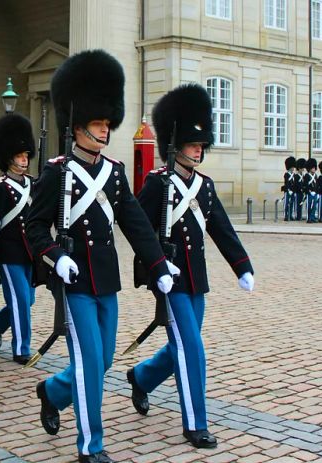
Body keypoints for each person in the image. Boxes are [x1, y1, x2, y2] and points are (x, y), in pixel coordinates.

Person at [26, 49, 175, 463]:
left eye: (108, 123)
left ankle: (53, 391)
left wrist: (159, 265)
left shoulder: (114, 173)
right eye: (97, 123)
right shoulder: (57, 172)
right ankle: (91, 446)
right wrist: (56, 256)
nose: (105, 131)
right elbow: (34, 228)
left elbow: (136, 224)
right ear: (77, 126)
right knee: (90, 361)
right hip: (73, 283)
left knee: (103, 360)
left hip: (105, 279)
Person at [126, 83, 255, 450]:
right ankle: (195, 423)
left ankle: (141, 377)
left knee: (181, 344)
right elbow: (140, 231)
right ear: (175, 143)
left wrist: (242, 266)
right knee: (193, 348)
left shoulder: (204, 186)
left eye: (201, 143)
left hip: (197, 278)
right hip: (169, 279)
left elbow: (221, 229)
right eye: (192, 143)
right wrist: (155, 269)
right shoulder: (157, 183)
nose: (198, 148)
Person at [0, 113, 37, 365]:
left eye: (26, 155)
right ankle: (21, 348)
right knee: (20, 299)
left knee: (29, 299)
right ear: (9, 158)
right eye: (19, 156)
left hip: (29, 252)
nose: (24, 160)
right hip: (8, 252)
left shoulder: (33, 184)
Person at [304, 158, 319, 223]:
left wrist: (316, 192)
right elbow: (306, 185)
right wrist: (309, 191)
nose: (314, 169)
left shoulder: (315, 176)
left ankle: (312, 217)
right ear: (309, 168)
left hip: (314, 193)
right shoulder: (307, 176)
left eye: (314, 168)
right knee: (309, 206)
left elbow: (317, 185)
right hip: (309, 193)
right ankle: (309, 218)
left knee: (314, 206)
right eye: (312, 168)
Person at [282, 156, 296, 221]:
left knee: (292, 203)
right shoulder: (286, 174)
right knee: (286, 203)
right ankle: (286, 215)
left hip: (292, 191)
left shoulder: (294, 175)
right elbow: (286, 183)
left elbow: (294, 183)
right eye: (292, 167)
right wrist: (288, 190)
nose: (293, 168)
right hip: (287, 191)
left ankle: (290, 215)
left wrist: (293, 190)